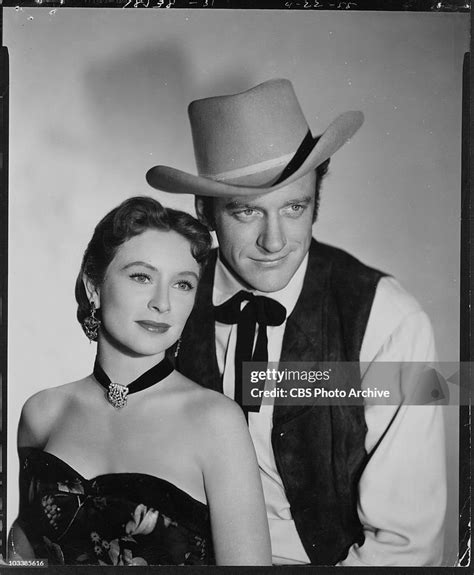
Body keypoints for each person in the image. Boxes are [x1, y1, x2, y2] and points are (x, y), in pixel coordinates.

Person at [146, 79, 447, 566]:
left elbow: (404, 547)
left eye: (294, 207)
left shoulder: (388, 319)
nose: (274, 241)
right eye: (246, 212)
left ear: (316, 202)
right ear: (204, 211)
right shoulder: (167, 298)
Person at [8, 196, 271, 566]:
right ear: (94, 287)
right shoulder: (42, 411)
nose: (162, 303)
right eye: (142, 277)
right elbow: (22, 548)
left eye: (182, 284)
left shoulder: (216, 421)